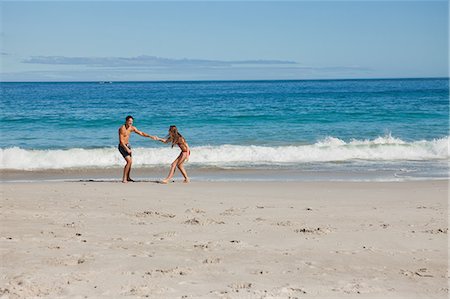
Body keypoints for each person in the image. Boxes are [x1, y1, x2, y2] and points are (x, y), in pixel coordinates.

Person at [118, 115, 158, 183]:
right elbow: (121, 141)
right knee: (129, 162)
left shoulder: (132, 128)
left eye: (132, 121)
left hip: (128, 145)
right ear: (126, 121)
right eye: (129, 121)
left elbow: (141, 133)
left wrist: (150, 136)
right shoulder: (122, 128)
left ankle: (128, 177)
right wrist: (126, 149)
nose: (131, 123)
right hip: (122, 146)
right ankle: (124, 178)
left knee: (130, 163)